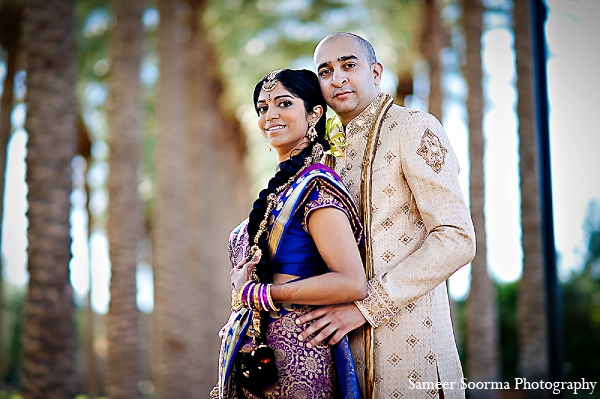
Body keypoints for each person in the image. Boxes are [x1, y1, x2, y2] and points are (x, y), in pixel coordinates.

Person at [294, 33, 477, 399]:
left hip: (415, 359)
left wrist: (366, 307)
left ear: (375, 72)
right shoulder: (323, 157)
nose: (338, 78)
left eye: (349, 65)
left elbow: (456, 238)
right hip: (343, 361)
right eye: (325, 71)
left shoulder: (413, 128)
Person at [212, 69, 368, 399]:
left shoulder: (316, 188)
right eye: (262, 108)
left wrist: (261, 294)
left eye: (283, 103)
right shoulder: (280, 191)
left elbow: (352, 281)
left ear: (314, 113)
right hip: (255, 354)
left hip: (300, 355)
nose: (270, 115)